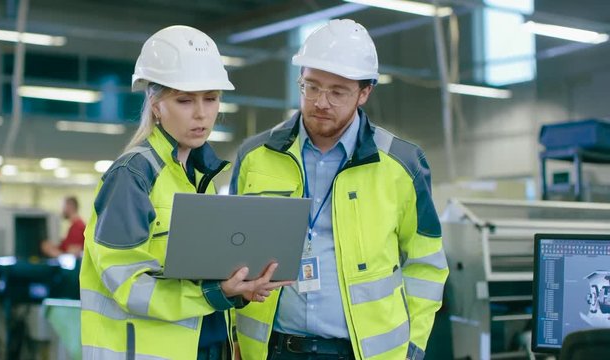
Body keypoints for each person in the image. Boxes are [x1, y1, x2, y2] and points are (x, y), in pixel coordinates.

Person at [230, 19, 449, 360]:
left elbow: (427, 265)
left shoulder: (402, 164)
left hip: (362, 353)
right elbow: (234, 256)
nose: (321, 102)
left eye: (337, 91)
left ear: (365, 92)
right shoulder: (255, 157)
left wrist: (413, 347)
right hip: (273, 350)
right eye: (311, 87)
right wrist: (236, 340)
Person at [79, 25, 289, 360]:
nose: (201, 114)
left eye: (211, 99)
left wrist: (238, 287)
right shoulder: (133, 176)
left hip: (205, 345)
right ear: (156, 104)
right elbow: (127, 284)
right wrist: (213, 293)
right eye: (185, 100)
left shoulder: (197, 176)